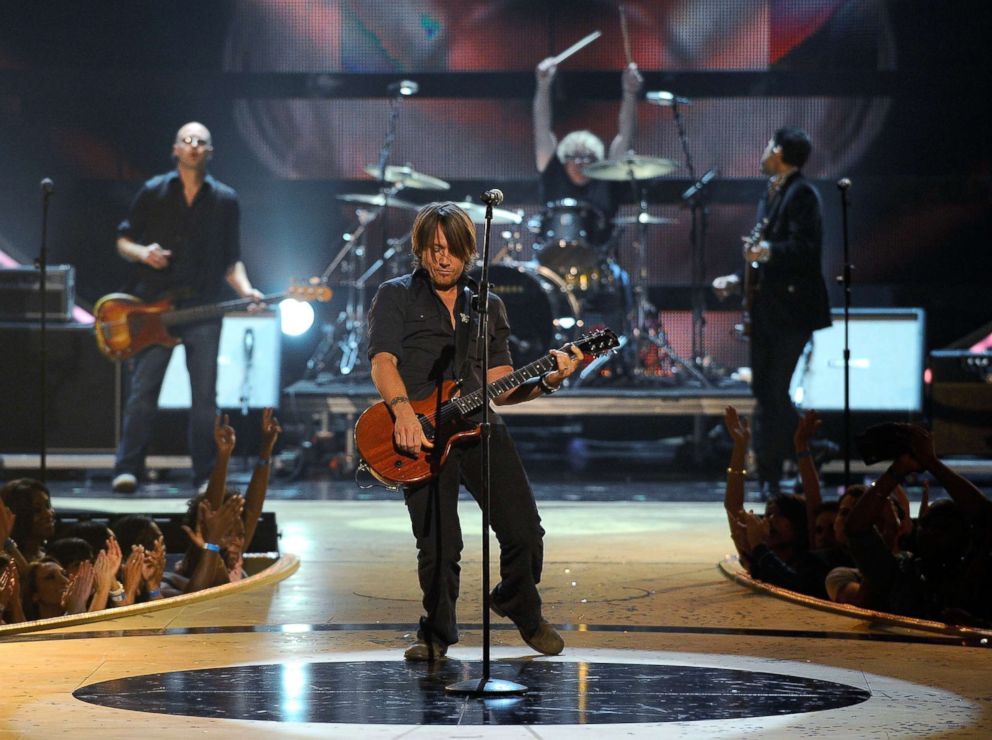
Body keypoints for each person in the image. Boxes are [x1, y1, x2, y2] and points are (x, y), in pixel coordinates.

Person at [366, 201, 583, 661]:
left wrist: (546, 379)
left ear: (468, 253)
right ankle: (437, 633)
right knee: (441, 546)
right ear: (419, 250)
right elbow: (383, 360)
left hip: (478, 427)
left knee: (525, 532)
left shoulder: (489, 305)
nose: (442, 259)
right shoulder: (395, 294)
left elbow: (500, 387)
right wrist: (403, 412)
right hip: (419, 431)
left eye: (451, 250)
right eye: (432, 249)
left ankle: (518, 603)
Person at [111, 121, 263, 494]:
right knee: (143, 391)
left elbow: (232, 261)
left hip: (203, 308)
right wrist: (143, 253)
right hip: (155, 307)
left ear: (210, 152)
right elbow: (123, 241)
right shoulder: (154, 191)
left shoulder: (225, 199)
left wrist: (246, 290)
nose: (194, 146)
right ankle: (126, 468)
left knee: (204, 398)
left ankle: (204, 477)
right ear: (175, 149)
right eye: (187, 140)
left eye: (202, 142)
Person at [713, 127, 831, 494]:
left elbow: (804, 249)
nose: (762, 154)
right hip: (767, 310)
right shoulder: (772, 193)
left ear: (778, 152)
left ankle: (782, 467)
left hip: (793, 311)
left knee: (775, 390)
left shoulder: (803, 195)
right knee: (765, 392)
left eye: (767, 147)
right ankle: (788, 464)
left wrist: (764, 252)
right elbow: (762, 250)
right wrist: (737, 277)